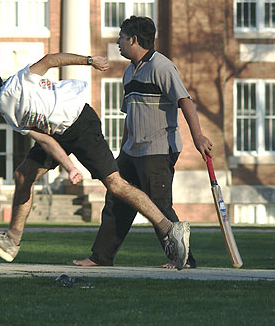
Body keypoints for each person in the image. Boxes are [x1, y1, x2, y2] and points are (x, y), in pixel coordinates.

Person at [0, 53, 191, 270]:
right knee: (23, 175)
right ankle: (12, 240)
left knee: (115, 184)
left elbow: (50, 60)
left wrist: (89, 60)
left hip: (81, 123)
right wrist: (70, 167)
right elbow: (47, 142)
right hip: (58, 133)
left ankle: (169, 228)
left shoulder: (18, 83)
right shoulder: (8, 113)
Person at [73, 16, 212, 269]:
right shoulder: (129, 72)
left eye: (122, 37)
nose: (118, 42)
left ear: (134, 40)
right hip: (131, 152)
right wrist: (122, 152)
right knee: (116, 201)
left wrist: (198, 137)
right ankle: (100, 257)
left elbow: (185, 101)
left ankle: (184, 260)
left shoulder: (162, 66)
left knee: (159, 206)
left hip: (158, 150)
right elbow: (131, 116)